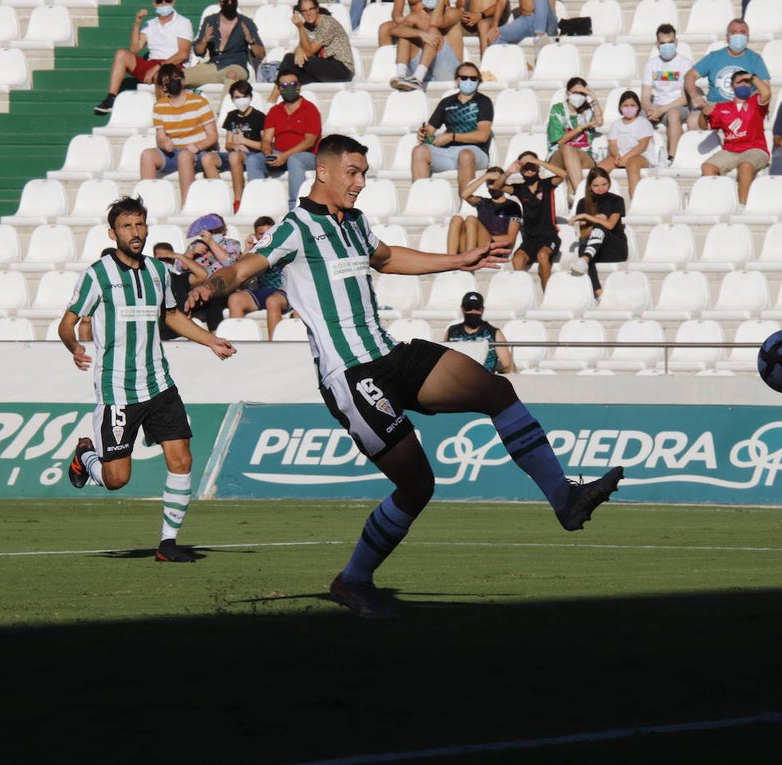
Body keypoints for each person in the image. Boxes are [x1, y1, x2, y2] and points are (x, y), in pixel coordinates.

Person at [185, 134, 624, 617]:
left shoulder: (352, 222)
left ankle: (564, 497)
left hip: (391, 354)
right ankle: (353, 581)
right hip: (352, 376)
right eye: (352, 172)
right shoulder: (296, 227)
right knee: (417, 485)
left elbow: (388, 258)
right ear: (324, 171)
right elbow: (245, 267)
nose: (361, 182)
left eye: (364, 173)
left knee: (496, 389)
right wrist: (211, 284)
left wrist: (457, 261)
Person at [59, 196, 236, 563]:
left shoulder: (158, 272)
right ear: (113, 233)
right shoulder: (98, 275)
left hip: (159, 383)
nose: (135, 232)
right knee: (117, 479)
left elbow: (171, 316)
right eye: (127, 226)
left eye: (140, 224)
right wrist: (74, 346)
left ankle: (167, 545)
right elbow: (67, 322)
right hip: (117, 390)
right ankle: (85, 455)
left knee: (182, 459)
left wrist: (209, 341)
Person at [94, 0, 193, 115]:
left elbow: (183, 54)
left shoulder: (183, 23)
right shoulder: (149, 24)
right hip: (152, 63)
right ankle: (110, 99)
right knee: (121, 54)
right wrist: (137, 23)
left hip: (173, 65)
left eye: (168, 0)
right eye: (159, 1)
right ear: (154, 3)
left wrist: (157, 67)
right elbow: (135, 49)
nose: (164, 3)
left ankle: (163, 113)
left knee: (160, 75)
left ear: (173, 2)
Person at [140, 64, 219, 206]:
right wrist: (164, 143)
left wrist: (197, 146)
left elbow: (212, 136)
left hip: (196, 153)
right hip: (173, 152)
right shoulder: (159, 106)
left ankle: (187, 204)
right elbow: (160, 136)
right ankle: (148, 205)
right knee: (147, 155)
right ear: (163, 87)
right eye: (167, 80)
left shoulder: (199, 102)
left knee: (184, 156)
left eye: (175, 77)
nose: (172, 81)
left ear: (182, 80)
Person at [246, 68, 321, 214]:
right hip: (279, 152)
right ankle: (259, 204)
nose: (289, 88)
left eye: (293, 84)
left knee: (294, 160)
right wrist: (268, 153)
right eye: (284, 86)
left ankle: (296, 207)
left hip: (307, 155)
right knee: (253, 160)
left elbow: (309, 142)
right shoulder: (275, 111)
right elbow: (266, 139)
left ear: (299, 86)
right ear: (279, 88)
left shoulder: (310, 109)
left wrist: (284, 156)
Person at [411, 61, 494, 193]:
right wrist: (423, 134)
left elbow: (482, 135)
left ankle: (467, 205)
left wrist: (452, 136)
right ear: (457, 80)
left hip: (476, 152)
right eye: (464, 78)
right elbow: (430, 129)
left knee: (465, 155)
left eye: (473, 78)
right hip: (449, 152)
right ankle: (422, 199)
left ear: (478, 81)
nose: (469, 81)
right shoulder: (447, 102)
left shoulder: (484, 102)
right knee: (419, 151)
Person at [493, 150, 567, 289]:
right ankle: (523, 293)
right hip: (530, 240)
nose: (529, 168)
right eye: (525, 166)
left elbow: (563, 174)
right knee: (517, 259)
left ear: (538, 167)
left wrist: (537, 161)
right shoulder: (520, 189)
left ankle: (547, 294)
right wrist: (508, 171)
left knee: (543, 256)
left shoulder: (547, 184)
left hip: (549, 237)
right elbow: (497, 186)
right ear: (520, 170)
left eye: (532, 165)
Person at [698, 70, 771, 206]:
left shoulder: (756, 102)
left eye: (747, 82)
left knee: (745, 166)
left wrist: (752, 76)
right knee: (707, 167)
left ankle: (741, 206)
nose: (744, 85)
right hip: (731, 150)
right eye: (739, 82)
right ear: (732, 86)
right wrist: (703, 114)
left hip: (755, 148)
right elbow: (703, 126)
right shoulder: (721, 107)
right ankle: (717, 204)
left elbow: (766, 93)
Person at [683, 18, 769, 132]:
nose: (738, 36)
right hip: (715, 105)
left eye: (742, 32)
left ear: (748, 36)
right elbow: (690, 75)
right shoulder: (714, 57)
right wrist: (694, 96)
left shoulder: (755, 60)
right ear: (727, 36)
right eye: (734, 33)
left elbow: (765, 88)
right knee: (694, 120)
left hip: (742, 105)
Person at [205, 79, 266, 214]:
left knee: (233, 157)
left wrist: (244, 141)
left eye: (244, 97)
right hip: (236, 154)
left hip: (253, 155)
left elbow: (265, 145)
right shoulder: (231, 116)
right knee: (207, 158)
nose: (241, 100)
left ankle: (238, 200)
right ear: (232, 99)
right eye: (237, 97)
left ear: (250, 97)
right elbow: (228, 144)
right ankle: (222, 195)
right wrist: (235, 145)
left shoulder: (259, 117)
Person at [228, 217, 291, 340]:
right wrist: (248, 250)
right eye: (261, 234)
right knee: (235, 299)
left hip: (284, 291)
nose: (265, 236)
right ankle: (236, 345)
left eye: (269, 232)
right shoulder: (255, 251)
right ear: (255, 235)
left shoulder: (285, 248)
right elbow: (240, 274)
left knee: (272, 302)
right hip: (263, 292)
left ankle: (274, 345)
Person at [567, 166, 626, 297]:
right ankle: (598, 291)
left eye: (604, 184)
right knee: (584, 248)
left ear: (609, 183)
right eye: (596, 185)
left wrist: (588, 217)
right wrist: (598, 219)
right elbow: (584, 234)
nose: (601, 188)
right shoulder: (583, 203)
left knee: (600, 229)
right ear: (589, 186)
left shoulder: (617, 200)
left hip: (615, 248)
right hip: (596, 249)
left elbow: (610, 225)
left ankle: (585, 259)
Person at [274, 0, 355, 92]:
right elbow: (298, 52)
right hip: (324, 67)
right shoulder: (308, 27)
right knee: (294, 78)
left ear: (317, 9)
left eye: (311, 9)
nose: (308, 13)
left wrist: (300, 27)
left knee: (289, 58)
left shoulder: (327, 23)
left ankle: (272, 99)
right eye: (304, 11)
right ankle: (283, 100)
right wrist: (300, 49)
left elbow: (308, 52)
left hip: (341, 69)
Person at [642, 23, 693, 166]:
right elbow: (645, 96)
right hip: (656, 106)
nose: (667, 46)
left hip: (677, 106)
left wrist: (661, 110)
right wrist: (649, 109)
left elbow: (685, 98)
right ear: (657, 44)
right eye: (663, 43)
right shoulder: (651, 64)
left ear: (676, 42)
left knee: (673, 114)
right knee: (635, 114)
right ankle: (642, 156)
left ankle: (671, 158)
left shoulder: (685, 63)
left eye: (670, 42)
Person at [387, 0, 464, 92]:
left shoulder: (453, 12)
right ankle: (401, 75)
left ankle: (418, 78)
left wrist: (440, 3)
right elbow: (395, 30)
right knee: (405, 34)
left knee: (433, 31)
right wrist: (420, 34)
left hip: (449, 70)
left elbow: (435, 23)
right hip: (427, 70)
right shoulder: (418, 15)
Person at [187, 0, 265, 89]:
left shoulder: (246, 22)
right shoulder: (210, 21)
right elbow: (199, 52)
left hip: (237, 67)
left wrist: (251, 41)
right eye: (226, 1)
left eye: (232, 1)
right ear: (220, 3)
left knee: (231, 75)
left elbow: (261, 54)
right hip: (214, 65)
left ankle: (225, 103)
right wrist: (205, 40)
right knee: (177, 77)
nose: (230, 3)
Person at [545, 77, 603, 195]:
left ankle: (574, 197)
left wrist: (593, 96)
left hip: (583, 154)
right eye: (576, 93)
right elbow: (561, 141)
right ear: (568, 93)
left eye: (582, 93)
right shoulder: (558, 110)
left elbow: (600, 122)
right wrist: (581, 128)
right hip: (559, 154)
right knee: (567, 148)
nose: (579, 96)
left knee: (572, 164)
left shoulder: (588, 110)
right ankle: (581, 195)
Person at [448, 166, 521, 255]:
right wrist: (485, 177)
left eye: (496, 182)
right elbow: (464, 195)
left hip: (493, 245)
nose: (493, 186)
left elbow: (510, 239)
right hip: (477, 243)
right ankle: (451, 258)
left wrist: (482, 236)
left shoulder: (513, 206)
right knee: (456, 219)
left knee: (471, 219)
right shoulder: (483, 202)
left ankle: (470, 258)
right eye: (490, 183)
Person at [598, 90, 654, 199]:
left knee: (632, 165)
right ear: (620, 107)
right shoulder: (616, 124)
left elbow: (642, 145)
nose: (629, 108)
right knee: (600, 168)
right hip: (619, 156)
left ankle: (636, 200)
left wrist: (626, 158)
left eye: (632, 105)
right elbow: (612, 144)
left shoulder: (643, 122)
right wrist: (617, 156)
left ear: (638, 107)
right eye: (626, 105)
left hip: (640, 156)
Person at [443, 291, 514, 373]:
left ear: (482, 310)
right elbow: (444, 361)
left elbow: (508, 366)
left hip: (483, 382)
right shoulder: (452, 332)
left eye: (477, 309)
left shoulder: (493, 333)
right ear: (462, 309)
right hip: (457, 380)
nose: (473, 312)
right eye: (469, 308)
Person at [492, 0, 558, 48]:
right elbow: (501, 2)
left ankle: (539, 37)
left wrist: (552, 31)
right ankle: (519, 64)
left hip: (546, 21)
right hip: (526, 20)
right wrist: (494, 25)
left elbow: (552, 9)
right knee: (495, 37)